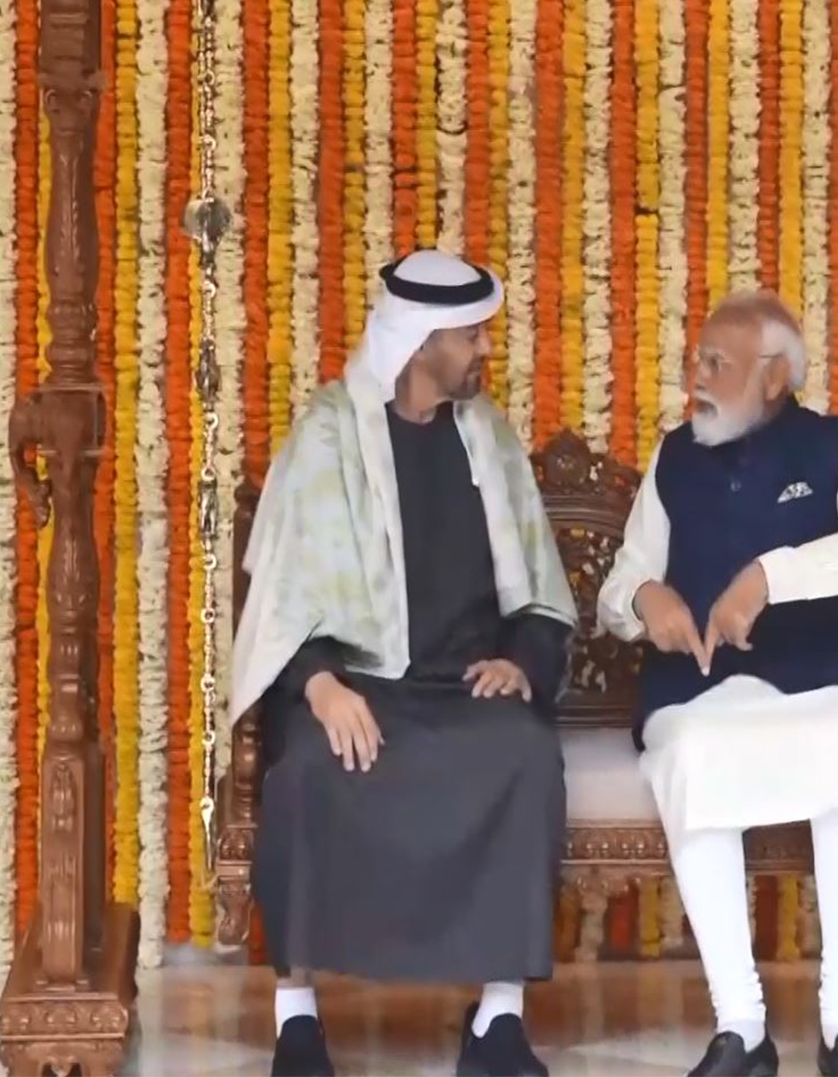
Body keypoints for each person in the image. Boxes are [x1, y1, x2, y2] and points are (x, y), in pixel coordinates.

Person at [231, 250, 578, 1077]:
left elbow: (538, 585)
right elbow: (286, 590)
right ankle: (297, 1019)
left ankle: (497, 1020)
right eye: (469, 337)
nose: (483, 351)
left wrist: (520, 662)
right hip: (352, 681)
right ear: (420, 343)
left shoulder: (486, 435)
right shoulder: (329, 433)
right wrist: (319, 685)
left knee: (523, 752)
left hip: (461, 684)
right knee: (309, 768)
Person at [596, 291, 838, 1077]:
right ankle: (741, 1029)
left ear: (775, 378)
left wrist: (772, 578)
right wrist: (647, 601)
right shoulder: (676, 457)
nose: (695, 376)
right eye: (695, 359)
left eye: (717, 364)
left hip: (823, 678)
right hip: (703, 686)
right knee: (694, 757)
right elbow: (620, 585)